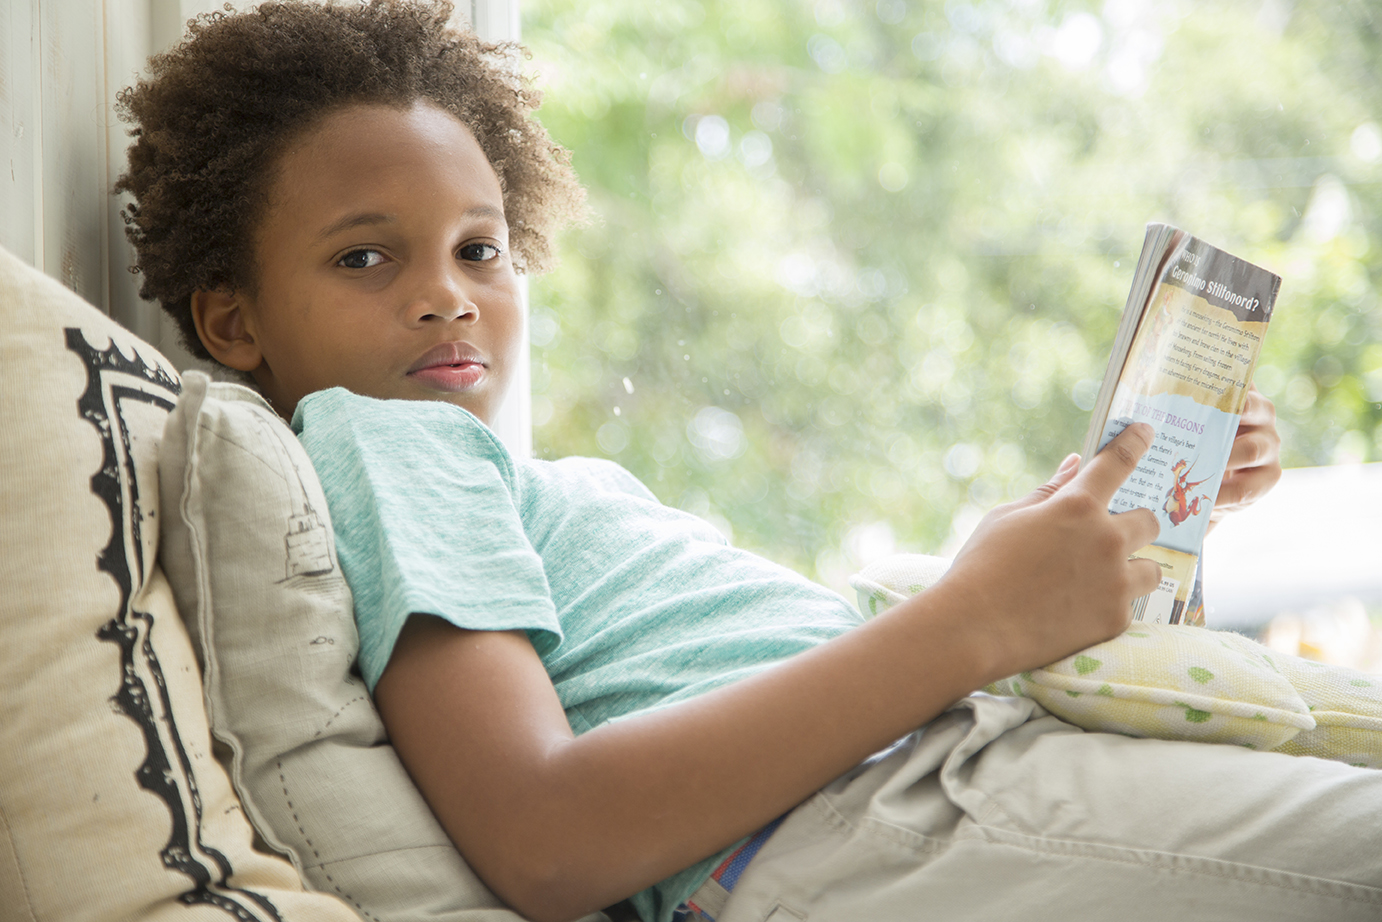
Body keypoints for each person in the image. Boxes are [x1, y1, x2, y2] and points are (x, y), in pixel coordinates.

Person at [115, 4, 1382, 922]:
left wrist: (1104, 531)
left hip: (917, 788)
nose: (448, 298)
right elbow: (545, 837)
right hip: (866, 822)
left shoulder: (523, 484)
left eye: (479, 249)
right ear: (234, 319)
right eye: (365, 258)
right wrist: (974, 616)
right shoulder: (389, 446)